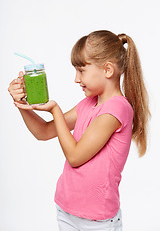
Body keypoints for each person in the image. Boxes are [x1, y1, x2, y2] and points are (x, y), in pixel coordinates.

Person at [8, 30, 151, 231]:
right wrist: (20, 103)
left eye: (81, 70)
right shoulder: (87, 104)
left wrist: (55, 110)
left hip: (97, 221)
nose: (76, 79)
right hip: (66, 210)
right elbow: (44, 132)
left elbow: (75, 156)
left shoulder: (117, 109)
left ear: (108, 70)